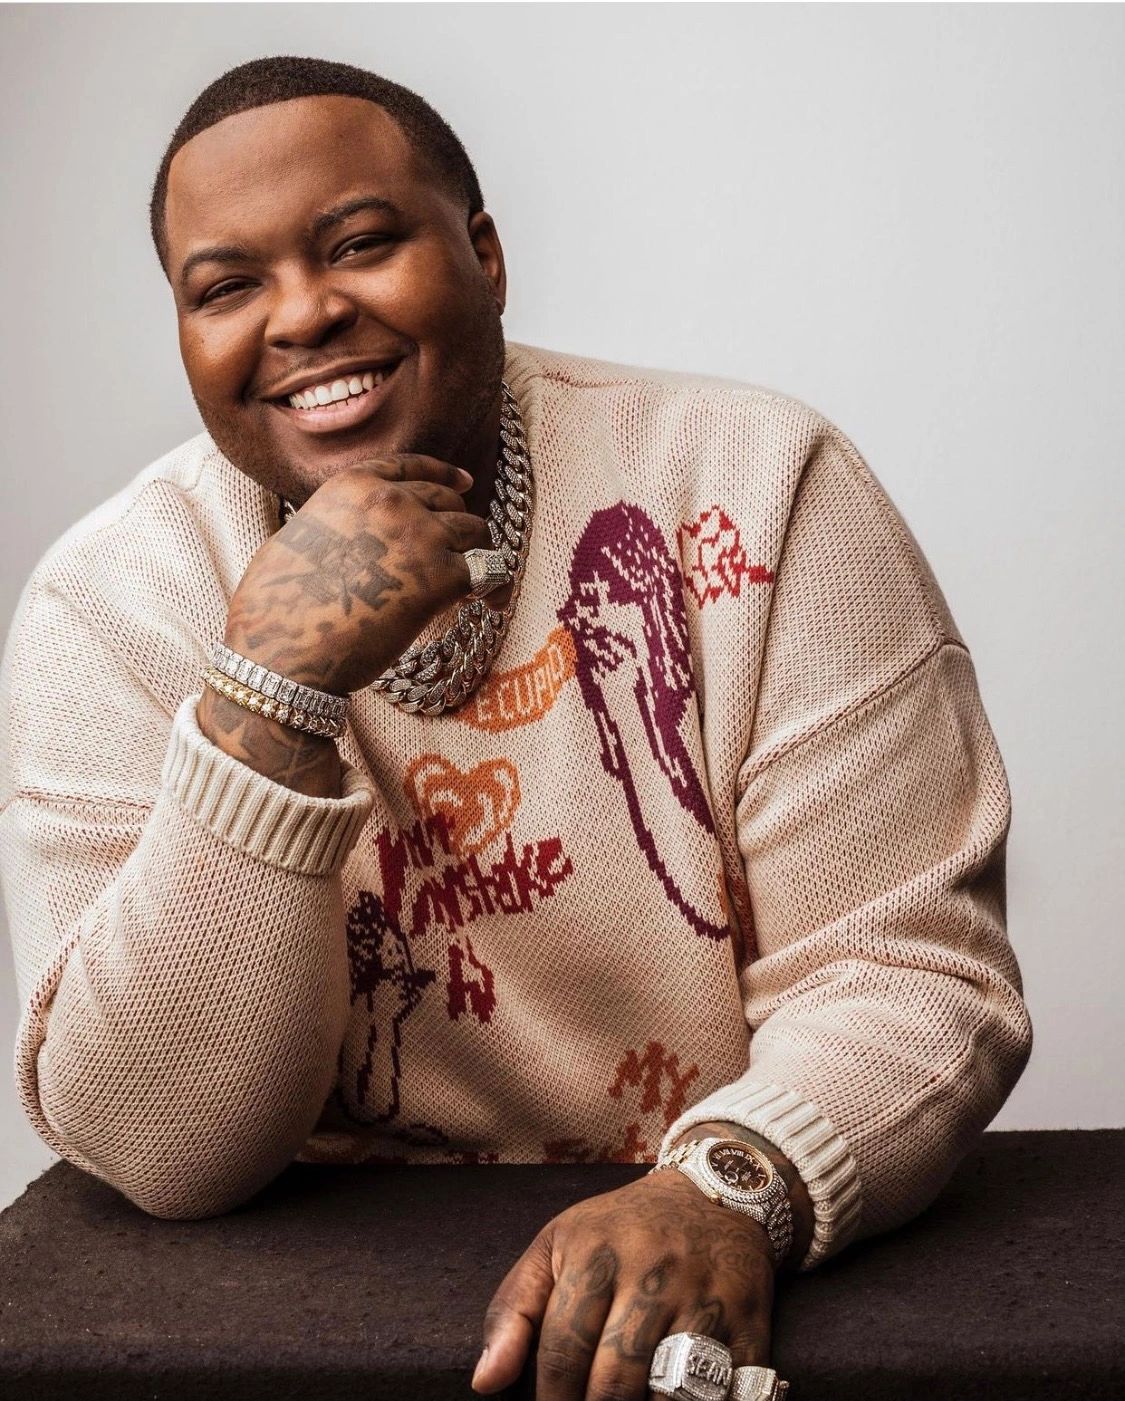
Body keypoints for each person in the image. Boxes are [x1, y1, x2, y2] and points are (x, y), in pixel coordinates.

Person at [0, 55, 1032, 1401]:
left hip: (701, 1262)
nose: (302, 314)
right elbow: (159, 1144)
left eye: (358, 244)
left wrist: (729, 1184)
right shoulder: (111, 599)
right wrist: (268, 693)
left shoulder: (758, 484)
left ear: (483, 256)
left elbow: (906, 970)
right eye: (226, 286)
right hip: (295, 1323)